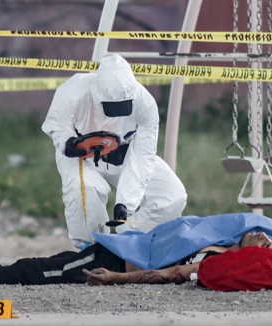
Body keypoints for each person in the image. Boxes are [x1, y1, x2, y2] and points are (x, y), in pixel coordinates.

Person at [0, 213, 272, 287]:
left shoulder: (219, 262)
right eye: (262, 233)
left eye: (267, 243)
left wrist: (117, 279)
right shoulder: (221, 237)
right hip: (116, 250)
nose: (261, 237)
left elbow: (172, 274)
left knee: (31, 272)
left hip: (113, 262)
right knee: (42, 266)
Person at [41, 53, 188, 249]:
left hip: (125, 154)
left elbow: (142, 156)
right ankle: (92, 248)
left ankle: (129, 242)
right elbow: (56, 123)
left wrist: (125, 203)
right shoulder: (75, 90)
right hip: (82, 155)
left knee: (172, 195)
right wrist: (68, 143)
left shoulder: (145, 103)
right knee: (84, 189)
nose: (117, 112)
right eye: (112, 107)